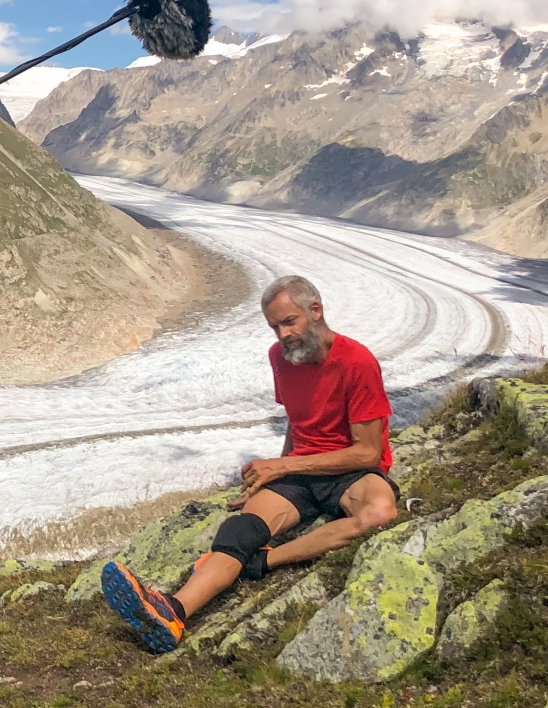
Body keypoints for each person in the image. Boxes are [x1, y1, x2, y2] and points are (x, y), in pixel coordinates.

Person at [103, 274, 399, 653]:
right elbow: (297, 420)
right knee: (241, 531)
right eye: (275, 327)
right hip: (299, 471)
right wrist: (278, 470)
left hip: (351, 473)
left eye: (289, 322)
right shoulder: (282, 358)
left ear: (316, 310)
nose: (282, 335)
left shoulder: (357, 362)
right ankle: (173, 612)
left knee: (379, 513)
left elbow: (366, 453)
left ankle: (267, 561)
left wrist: (283, 467)